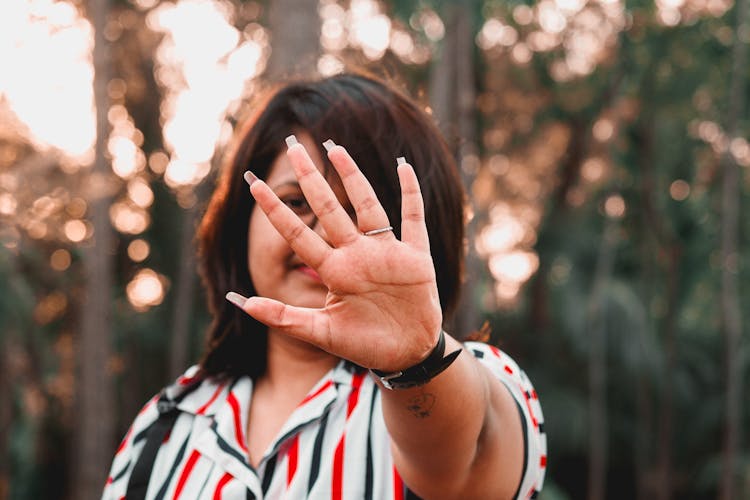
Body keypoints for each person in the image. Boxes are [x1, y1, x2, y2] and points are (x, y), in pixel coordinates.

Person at [103, 72, 546, 499]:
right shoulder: (162, 427)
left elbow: (462, 458)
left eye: (361, 209)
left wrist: (416, 363)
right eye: (295, 202)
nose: (328, 237)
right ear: (241, 222)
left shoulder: (461, 380)